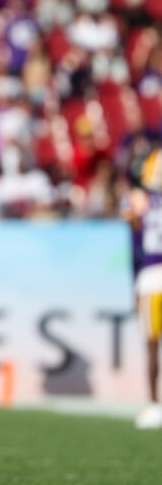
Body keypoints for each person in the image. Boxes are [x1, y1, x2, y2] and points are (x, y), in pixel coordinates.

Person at [126, 148, 162, 430]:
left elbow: (135, 244)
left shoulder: (139, 199)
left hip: (151, 277)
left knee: (151, 346)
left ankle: (153, 404)